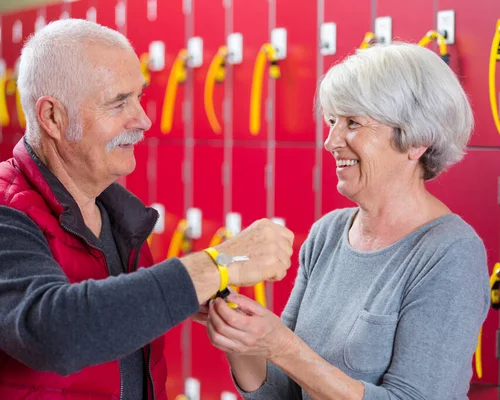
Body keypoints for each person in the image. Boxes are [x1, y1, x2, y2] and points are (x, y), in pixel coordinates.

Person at [0, 19, 294, 400]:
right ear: (53, 117)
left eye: (139, 97)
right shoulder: (8, 211)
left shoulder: (120, 220)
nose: (143, 120)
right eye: (119, 102)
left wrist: (180, 291)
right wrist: (218, 262)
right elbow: (57, 332)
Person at [198, 42, 491, 399]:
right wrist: (236, 333)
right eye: (333, 121)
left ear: (417, 141)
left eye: (352, 123)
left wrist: (282, 347)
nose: (330, 141)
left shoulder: (450, 254)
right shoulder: (328, 234)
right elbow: (282, 392)